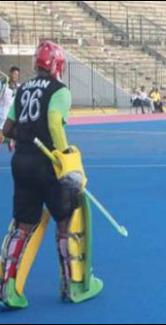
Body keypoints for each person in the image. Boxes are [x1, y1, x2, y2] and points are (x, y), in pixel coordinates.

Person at [0, 41, 103, 309]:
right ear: (58, 65)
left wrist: (19, 135)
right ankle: (72, 285)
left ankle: (7, 287)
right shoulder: (60, 90)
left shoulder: (22, 89)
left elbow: (8, 128)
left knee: (23, 223)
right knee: (67, 218)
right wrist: (64, 154)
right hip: (47, 164)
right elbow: (55, 121)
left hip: (20, 162)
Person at [0, 77, 14, 151]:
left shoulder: (12, 94)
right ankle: (10, 141)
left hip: (5, 118)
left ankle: (10, 141)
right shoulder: (4, 88)